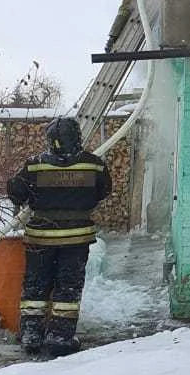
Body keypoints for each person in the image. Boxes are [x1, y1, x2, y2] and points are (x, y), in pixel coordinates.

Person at [7, 116, 112, 355]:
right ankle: (61, 338)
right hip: (76, 240)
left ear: (51, 140)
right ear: (77, 138)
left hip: (40, 239)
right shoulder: (94, 165)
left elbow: (15, 192)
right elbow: (104, 190)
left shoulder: (34, 165)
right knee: (68, 288)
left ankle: (31, 335)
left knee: (35, 286)